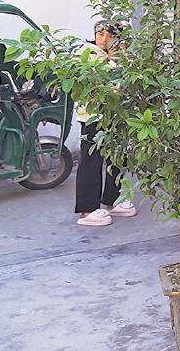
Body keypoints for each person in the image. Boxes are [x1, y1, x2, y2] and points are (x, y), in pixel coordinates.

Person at [74, 20, 136, 227]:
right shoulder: (87, 52)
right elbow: (101, 80)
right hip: (92, 116)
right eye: (100, 34)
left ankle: (112, 200)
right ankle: (87, 210)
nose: (103, 39)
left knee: (117, 158)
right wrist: (113, 61)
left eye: (109, 36)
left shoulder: (115, 55)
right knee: (91, 161)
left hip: (115, 115)